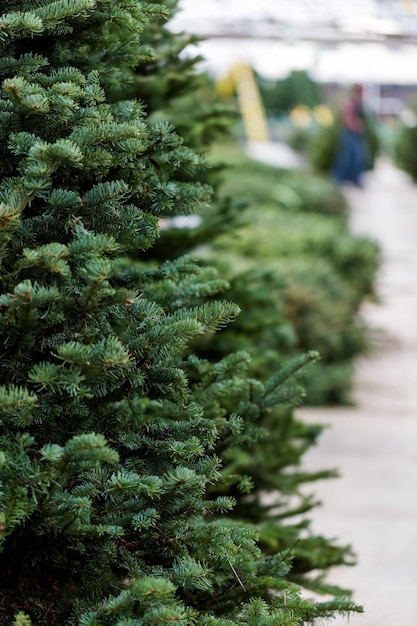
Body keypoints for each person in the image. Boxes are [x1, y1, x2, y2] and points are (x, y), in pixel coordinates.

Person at [332, 84, 368, 188]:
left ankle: (353, 179)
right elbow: (346, 117)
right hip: (349, 133)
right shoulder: (352, 102)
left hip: (354, 134)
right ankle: (338, 180)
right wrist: (355, 126)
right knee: (351, 157)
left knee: (355, 157)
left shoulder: (357, 102)